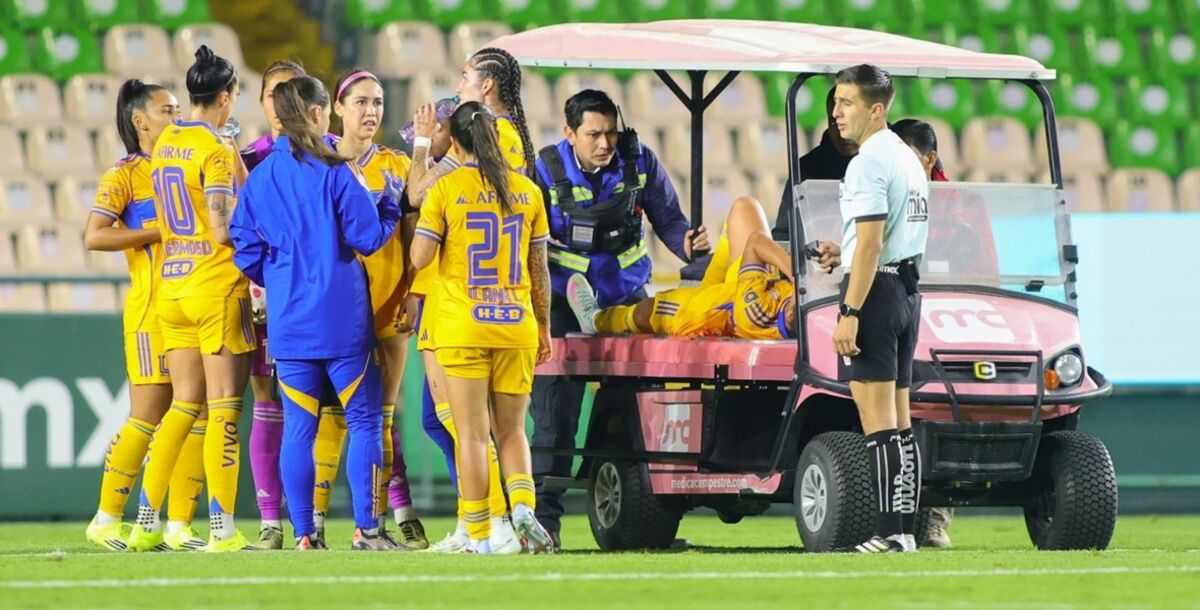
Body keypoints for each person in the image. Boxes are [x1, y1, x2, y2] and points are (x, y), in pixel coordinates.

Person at [230, 75, 402, 551]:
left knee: (299, 432)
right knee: (365, 422)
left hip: (290, 324)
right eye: (325, 110)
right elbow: (368, 238)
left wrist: (281, 276)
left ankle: (305, 533)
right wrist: (388, 204)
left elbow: (243, 251)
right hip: (343, 322)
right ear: (315, 114)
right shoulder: (335, 170)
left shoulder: (261, 176)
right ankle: (368, 530)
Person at [530, 88, 708, 548]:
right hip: (561, 308)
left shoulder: (639, 160)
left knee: (642, 416)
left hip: (628, 300)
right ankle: (544, 529)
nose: (605, 143)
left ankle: (645, 527)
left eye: (611, 132)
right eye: (594, 134)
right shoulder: (543, 170)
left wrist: (688, 245)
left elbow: (670, 220)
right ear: (569, 134)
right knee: (554, 422)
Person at [409, 101, 555, 554]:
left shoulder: (447, 188)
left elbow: (418, 259)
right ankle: (525, 506)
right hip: (517, 326)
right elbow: (541, 269)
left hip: (463, 326)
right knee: (512, 431)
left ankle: (478, 534)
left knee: (471, 434)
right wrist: (545, 327)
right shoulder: (528, 191)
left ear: (454, 141)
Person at [127, 45, 256, 553]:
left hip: (172, 286)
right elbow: (224, 231)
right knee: (224, 409)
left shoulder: (165, 144)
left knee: (183, 406)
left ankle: (144, 521)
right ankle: (222, 527)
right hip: (215, 287)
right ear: (225, 96)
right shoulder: (215, 151)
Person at [304, 66, 426, 550]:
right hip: (336, 310)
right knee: (331, 418)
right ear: (337, 107)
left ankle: (394, 515)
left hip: (389, 306)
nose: (371, 111)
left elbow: (417, 210)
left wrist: (414, 292)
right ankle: (312, 521)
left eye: (377, 102)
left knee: (383, 420)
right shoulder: (320, 162)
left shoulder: (395, 164)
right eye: (360, 102)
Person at [83, 80, 207, 551]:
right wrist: (156, 233)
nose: (176, 116)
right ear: (141, 122)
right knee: (149, 414)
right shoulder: (125, 175)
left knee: (195, 412)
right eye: (167, 109)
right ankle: (106, 517)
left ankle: (178, 524)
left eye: (177, 108)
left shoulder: (186, 164)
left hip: (191, 303)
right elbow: (94, 236)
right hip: (150, 311)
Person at [812, 65, 930, 553]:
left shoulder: (866, 163)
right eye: (836, 102)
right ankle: (907, 530)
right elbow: (890, 237)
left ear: (876, 109)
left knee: (878, 423)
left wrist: (850, 311)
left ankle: (889, 533)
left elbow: (870, 243)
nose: (836, 113)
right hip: (906, 291)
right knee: (901, 422)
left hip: (876, 297)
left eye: (847, 103)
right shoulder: (906, 157)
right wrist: (847, 248)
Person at [236, 58, 305, 551]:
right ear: (260, 103)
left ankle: (315, 518)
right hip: (266, 296)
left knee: (321, 408)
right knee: (267, 398)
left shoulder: (325, 160)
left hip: (317, 298)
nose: (280, 104)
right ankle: (269, 521)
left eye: (290, 93)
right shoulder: (247, 160)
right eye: (272, 94)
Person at [566, 196, 795, 342]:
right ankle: (705, 278)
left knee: (653, 310)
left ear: (792, 314)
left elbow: (756, 242)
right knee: (745, 207)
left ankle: (596, 319)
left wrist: (798, 276)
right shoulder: (798, 305)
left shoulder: (757, 312)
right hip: (745, 286)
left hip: (709, 312)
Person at [892, 117, 954, 549]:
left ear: (929, 159)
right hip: (903, 308)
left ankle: (935, 516)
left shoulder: (960, 204)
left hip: (950, 317)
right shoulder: (887, 191)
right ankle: (893, 512)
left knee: (946, 411)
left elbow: (983, 263)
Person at [773, 87, 860, 240]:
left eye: (851, 119)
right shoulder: (807, 169)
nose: (842, 130)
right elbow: (785, 234)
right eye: (834, 121)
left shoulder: (892, 161)